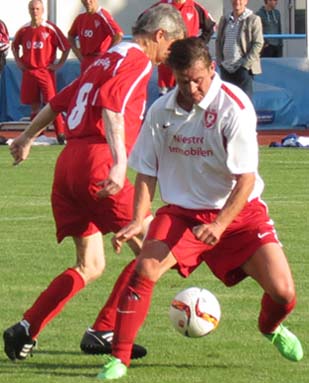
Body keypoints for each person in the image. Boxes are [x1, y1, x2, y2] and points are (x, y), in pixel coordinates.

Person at [97, 37, 303, 380]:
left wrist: (221, 225)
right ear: (172, 76)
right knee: (144, 269)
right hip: (182, 213)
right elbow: (147, 169)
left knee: (284, 294)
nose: (191, 88)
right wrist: (137, 219)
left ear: (212, 69)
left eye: (198, 80)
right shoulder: (161, 111)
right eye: (182, 81)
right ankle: (118, 358)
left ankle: (271, 329)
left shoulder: (233, 107)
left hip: (239, 214)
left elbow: (246, 180)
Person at [3, 4, 186, 363]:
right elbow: (112, 106)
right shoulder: (135, 60)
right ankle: (104, 329)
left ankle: (27, 327)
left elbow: (58, 102)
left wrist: (25, 138)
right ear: (160, 35)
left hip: (68, 164)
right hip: (97, 161)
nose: (173, 53)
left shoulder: (103, 60)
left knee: (91, 265)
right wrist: (119, 165)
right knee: (156, 250)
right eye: (174, 43)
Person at [11, 0, 70, 145]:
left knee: (53, 102)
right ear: (28, 10)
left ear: (42, 10)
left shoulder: (49, 28)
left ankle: (60, 134)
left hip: (45, 72)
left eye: (37, 9)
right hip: (29, 72)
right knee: (34, 105)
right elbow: (14, 46)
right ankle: (38, 135)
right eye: (32, 9)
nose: (34, 11)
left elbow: (66, 46)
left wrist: (59, 64)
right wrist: (18, 61)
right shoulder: (24, 30)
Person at [144, 0, 215, 95]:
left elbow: (211, 27)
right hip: (167, 69)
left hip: (188, 66)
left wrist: (196, 46)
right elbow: (142, 22)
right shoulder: (162, 6)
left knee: (187, 99)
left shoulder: (195, 7)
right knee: (165, 102)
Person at [215, 0, 263, 99]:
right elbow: (218, 41)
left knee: (244, 102)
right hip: (226, 69)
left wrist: (245, 65)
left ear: (246, 1)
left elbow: (258, 43)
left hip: (242, 69)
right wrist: (220, 62)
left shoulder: (253, 19)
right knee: (227, 102)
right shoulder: (224, 19)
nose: (237, 2)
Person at [68, 0, 123, 73]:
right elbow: (70, 36)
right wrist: (77, 54)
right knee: (85, 83)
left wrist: (106, 55)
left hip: (98, 60)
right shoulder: (80, 18)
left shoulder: (102, 15)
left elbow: (118, 35)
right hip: (85, 61)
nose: (87, 1)